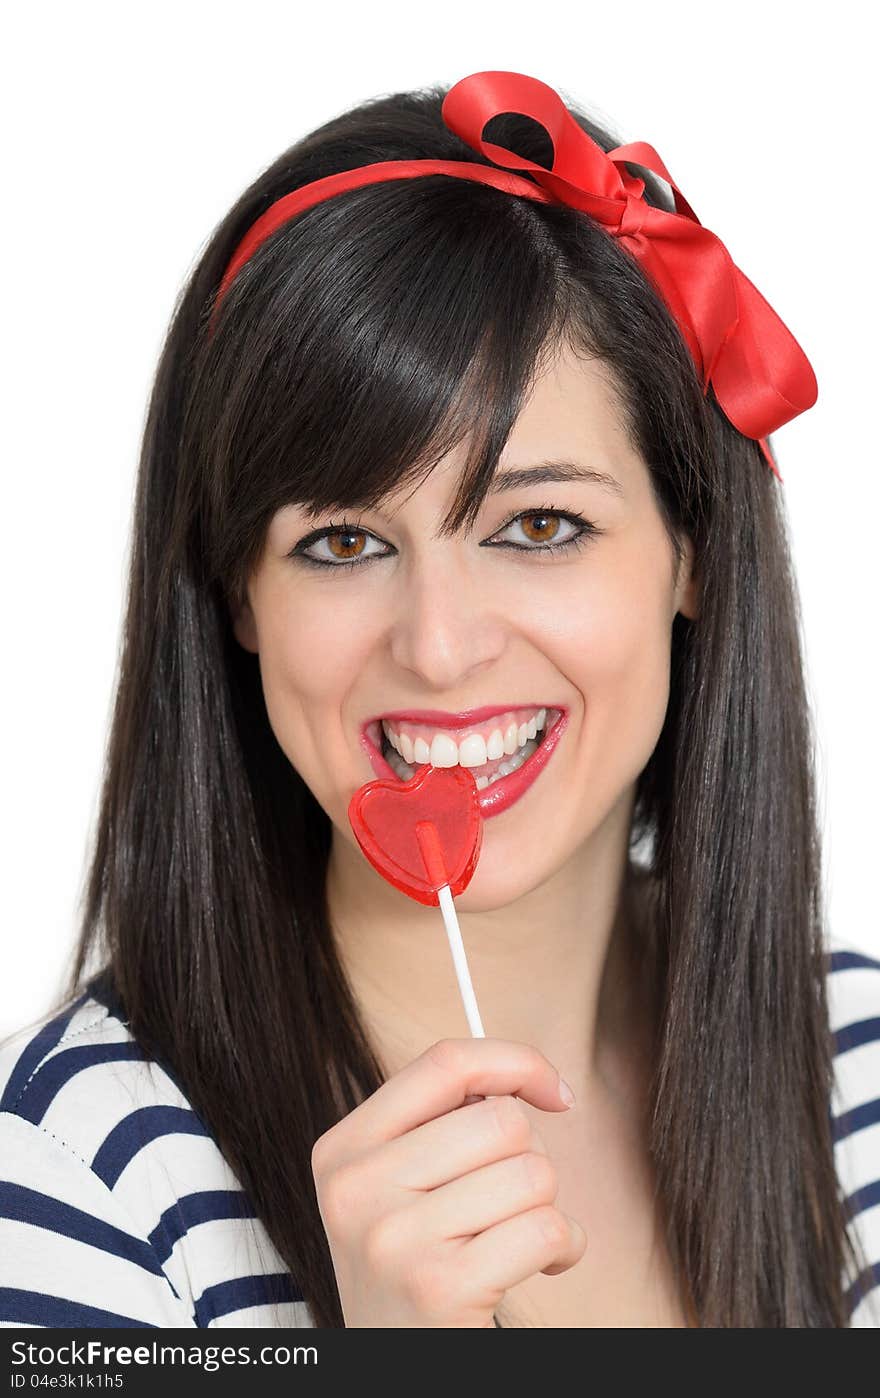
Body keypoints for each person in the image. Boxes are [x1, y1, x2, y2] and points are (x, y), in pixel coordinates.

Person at [1, 69, 878, 1330]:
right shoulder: (71, 1180)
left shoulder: (858, 1064)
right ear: (238, 595)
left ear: (693, 553)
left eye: (539, 523)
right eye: (344, 544)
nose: (442, 648)